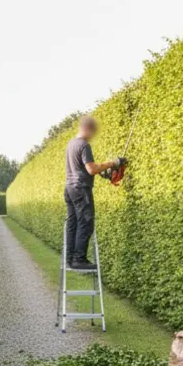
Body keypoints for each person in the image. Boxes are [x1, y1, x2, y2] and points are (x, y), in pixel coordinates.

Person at [63, 116, 123, 271]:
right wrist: (113, 163)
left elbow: (83, 168)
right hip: (81, 189)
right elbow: (91, 169)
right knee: (86, 223)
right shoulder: (84, 145)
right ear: (88, 129)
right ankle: (79, 259)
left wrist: (102, 171)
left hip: (69, 188)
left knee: (73, 223)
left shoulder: (71, 144)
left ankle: (70, 258)